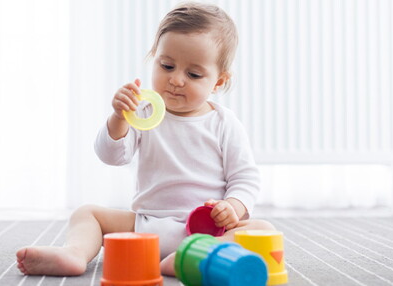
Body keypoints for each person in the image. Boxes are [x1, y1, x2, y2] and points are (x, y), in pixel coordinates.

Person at [16, 1, 275, 277]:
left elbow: (245, 178)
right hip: (146, 226)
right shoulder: (143, 114)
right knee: (87, 212)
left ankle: (187, 258)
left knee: (263, 230)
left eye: (193, 74)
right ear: (155, 58)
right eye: (167, 65)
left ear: (219, 82)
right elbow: (112, 156)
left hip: (205, 232)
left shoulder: (224, 123)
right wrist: (118, 117)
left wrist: (232, 207)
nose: (176, 79)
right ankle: (75, 252)